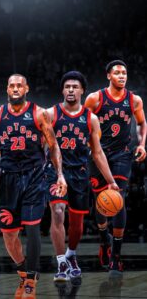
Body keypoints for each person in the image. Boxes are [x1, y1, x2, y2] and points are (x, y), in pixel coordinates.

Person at [0, 74, 67, 298]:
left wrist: (60, 175)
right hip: (7, 179)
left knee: (32, 228)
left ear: (26, 88)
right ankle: (23, 270)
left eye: (19, 85)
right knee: (9, 234)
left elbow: (53, 146)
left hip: (34, 177)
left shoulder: (39, 113)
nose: (15, 88)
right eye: (11, 85)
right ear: (7, 89)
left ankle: (30, 280)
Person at [45, 71, 119, 282]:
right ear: (62, 90)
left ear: (82, 91)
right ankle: (61, 263)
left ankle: (71, 254)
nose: (70, 90)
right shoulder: (51, 114)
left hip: (79, 173)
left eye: (75, 87)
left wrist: (111, 181)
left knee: (77, 223)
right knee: (58, 212)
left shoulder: (91, 118)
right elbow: (46, 145)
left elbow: (97, 153)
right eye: (67, 86)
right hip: (55, 171)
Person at [85, 60, 146, 274]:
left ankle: (116, 255)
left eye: (125, 73)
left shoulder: (134, 100)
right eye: (117, 72)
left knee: (118, 198)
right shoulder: (95, 98)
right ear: (108, 76)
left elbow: (141, 122)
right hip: (97, 155)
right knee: (100, 202)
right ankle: (104, 239)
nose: (122, 76)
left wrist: (141, 143)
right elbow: (81, 122)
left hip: (122, 154)